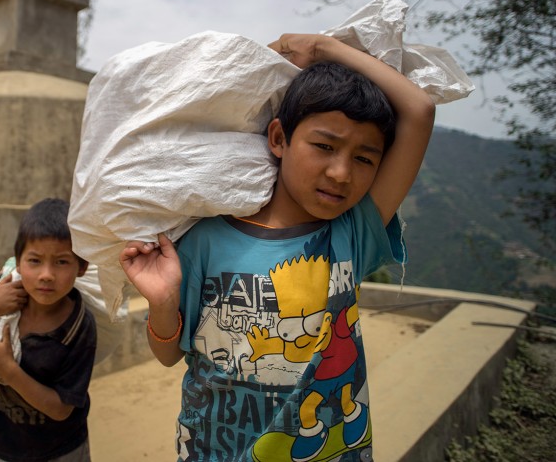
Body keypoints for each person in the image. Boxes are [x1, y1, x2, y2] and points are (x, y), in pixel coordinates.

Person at [120, 33, 436, 462]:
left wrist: (322, 49)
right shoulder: (206, 239)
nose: (341, 173)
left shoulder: (351, 233)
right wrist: (162, 304)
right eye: (324, 146)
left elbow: (419, 110)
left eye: (364, 158)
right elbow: (167, 355)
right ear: (279, 139)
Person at [0, 198, 97, 462]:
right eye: (34, 260)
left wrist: (7, 369)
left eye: (62, 262)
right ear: (18, 262)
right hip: (1, 448)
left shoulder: (79, 327)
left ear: (82, 267)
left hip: (61, 452)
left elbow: (61, 409)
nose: (46, 274)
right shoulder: (4, 295)